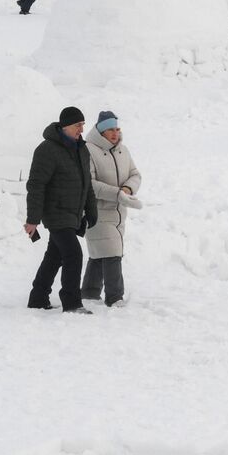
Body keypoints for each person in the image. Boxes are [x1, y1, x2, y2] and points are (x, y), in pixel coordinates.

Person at [25, 107, 97, 313]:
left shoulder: (81, 148)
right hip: (56, 212)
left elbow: (87, 183)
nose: (81, 129)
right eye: (77, 125)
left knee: (54, 256)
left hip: (72, 213)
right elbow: (36, 185)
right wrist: (33, 219)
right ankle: (72, 302)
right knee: (73, 254)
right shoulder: (47, 150)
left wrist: (91, 210)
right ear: (65, 126)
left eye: (83, 125)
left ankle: (38, 298)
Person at [82, 111, 141, 308]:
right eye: (110, 130)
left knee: (101, 252)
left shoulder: (123, 150)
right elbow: (89, 184)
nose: (115, 133)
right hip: (96, 210)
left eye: (117, 129)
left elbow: (135, 174)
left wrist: (127, 189)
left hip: (118, 213)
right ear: (100, 131)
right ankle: (115, 297)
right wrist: (117, 193)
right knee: (112, 252)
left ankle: (89, 292)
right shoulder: (88, 150)